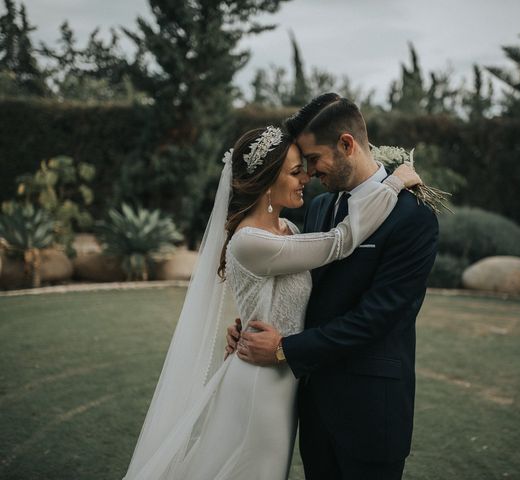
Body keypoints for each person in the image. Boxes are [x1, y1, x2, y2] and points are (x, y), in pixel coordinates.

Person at [121, 122, 421, 480]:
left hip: (285, 383)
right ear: (266, 182)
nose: (306, 178)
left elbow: (296, 297)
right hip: (259, 386)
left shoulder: (290, 231)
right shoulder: (250, 241)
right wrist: (393, 185)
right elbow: (340, 241)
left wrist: (246, 324)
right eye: (295, 172)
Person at [226, 93, 439, 479]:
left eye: (312, 160)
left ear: (346, 145)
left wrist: (283, 349)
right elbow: (301, 286)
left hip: (371, 411)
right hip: (312, 406)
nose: (308, 173)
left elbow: (377, 318)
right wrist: (252, 325)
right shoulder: (320, 208)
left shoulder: (413, 216)